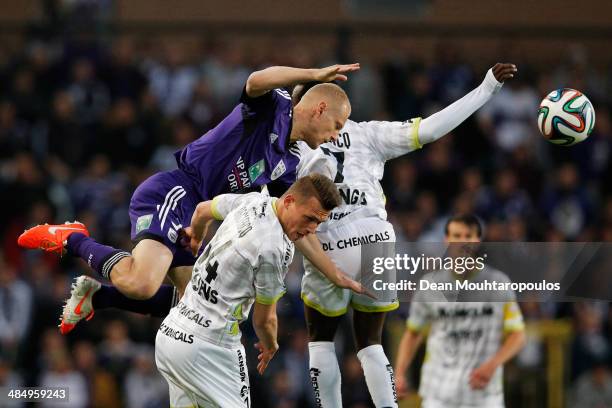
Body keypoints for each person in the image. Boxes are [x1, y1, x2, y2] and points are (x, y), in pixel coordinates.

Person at [17, 63, 364, 334]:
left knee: (196, 309)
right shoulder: (273, 107)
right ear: (318, 109)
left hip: (195, 220)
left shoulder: (287, 165)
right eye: (336, 125)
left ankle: (99, 296)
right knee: (141, 283)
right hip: (176, 192)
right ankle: (73, 237)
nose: (336, 135)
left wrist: (334, 273)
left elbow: (295, 225)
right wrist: (313, 73)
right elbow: (257, 79)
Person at [294, 63, 517, 407]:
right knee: (371, 341)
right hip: (376, 235)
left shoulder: (290, 141)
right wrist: (486, 88)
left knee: (320, 338)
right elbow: (429, 129)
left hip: (329, 235)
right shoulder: (368, 133)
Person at [155, 174, 341, 407]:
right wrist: (271, 344)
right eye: (309, 218)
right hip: (211, 348)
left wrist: (196, 235)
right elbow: (264, 320)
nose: (311, 229)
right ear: (289, 201)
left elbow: (202, 210)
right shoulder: (275, 249)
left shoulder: (253, 200)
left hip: (171, 334)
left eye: (318, 223)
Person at [394, 215, 526, 408]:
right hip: (439, 394)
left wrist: (492, 365)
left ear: (478, 241)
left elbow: (518, 335)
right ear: (446, 240)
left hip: (483, 394)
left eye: (468, 235)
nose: (462, 241)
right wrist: (399, 373)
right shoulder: (429, 285)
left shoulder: (498, 283)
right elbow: (413, 333)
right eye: (456, 235)